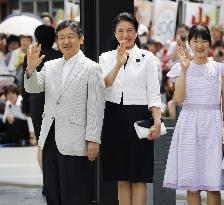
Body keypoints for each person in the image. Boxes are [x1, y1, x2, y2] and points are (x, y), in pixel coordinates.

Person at [24, 20, 105, 205]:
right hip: (49, 135)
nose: (65, 41)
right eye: (61, 37)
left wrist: (93, 139)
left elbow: (96, 106)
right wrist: (31, 68)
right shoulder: (50, 65)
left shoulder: (91, 68)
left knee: (74, 192)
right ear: (57, 41)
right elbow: (33, 88)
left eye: (70, 36)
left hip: (75, 138)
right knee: (52, 190)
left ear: (81, 39)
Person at [163, 24, 224, 205]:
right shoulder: (181, 68)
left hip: (212, 125)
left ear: (210, 43)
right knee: (192, 185)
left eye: (204, 41)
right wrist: (185, 69)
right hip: (188, 125)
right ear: (189, 43)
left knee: (213, 185)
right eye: (195, 41)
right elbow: (179, 99)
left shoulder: (220, 69)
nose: (200, 45)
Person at [99, 12, 161, 205]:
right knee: (121, 175)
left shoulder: (148, 57)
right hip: (113, 117)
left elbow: (154, 93)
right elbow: (104, 85)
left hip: (139, 117)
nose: (125, 35)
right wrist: (118, 64)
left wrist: (157, 122)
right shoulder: (106, 57)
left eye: (130, 30)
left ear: (136, 32)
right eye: (120, 31)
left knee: (139, 175)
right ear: (114, 33)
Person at [21, 24, 62, 195]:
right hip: (55, 104)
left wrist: (26, 106)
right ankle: (58, 181)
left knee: (42, 144)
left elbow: (24, 83)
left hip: (36, 103)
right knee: (57, 144)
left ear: (37, 38)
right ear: (54, 38)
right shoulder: (59, 56)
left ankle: (47, 184)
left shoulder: (31, 55)